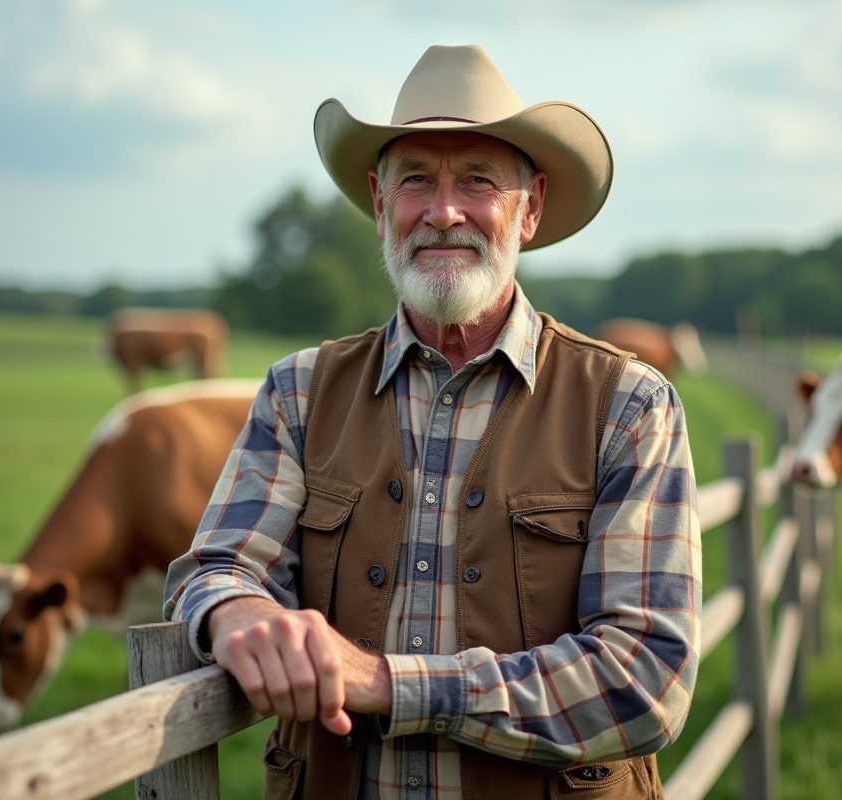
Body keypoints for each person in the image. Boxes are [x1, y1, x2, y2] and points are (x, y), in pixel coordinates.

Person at [164, 44, 701, 800]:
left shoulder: (628, 403)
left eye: (478, 179)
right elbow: (213, 568)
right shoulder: (300, 392)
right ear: (383, 206)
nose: (442, 210)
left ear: (531, 207)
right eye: (416, 178)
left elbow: (647, 677)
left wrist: (389, 683)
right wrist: (242, 612)